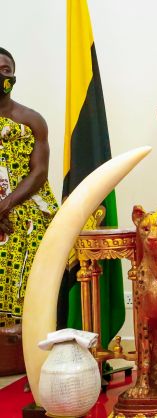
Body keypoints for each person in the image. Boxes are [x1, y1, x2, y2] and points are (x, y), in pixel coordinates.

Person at [0, 48, 58, 328]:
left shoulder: (31, 119)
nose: (1, 75)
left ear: (13, 77)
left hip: (24, 206)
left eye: (6, 70)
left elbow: (39, 173)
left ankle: (25, 333)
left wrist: (5, 205)